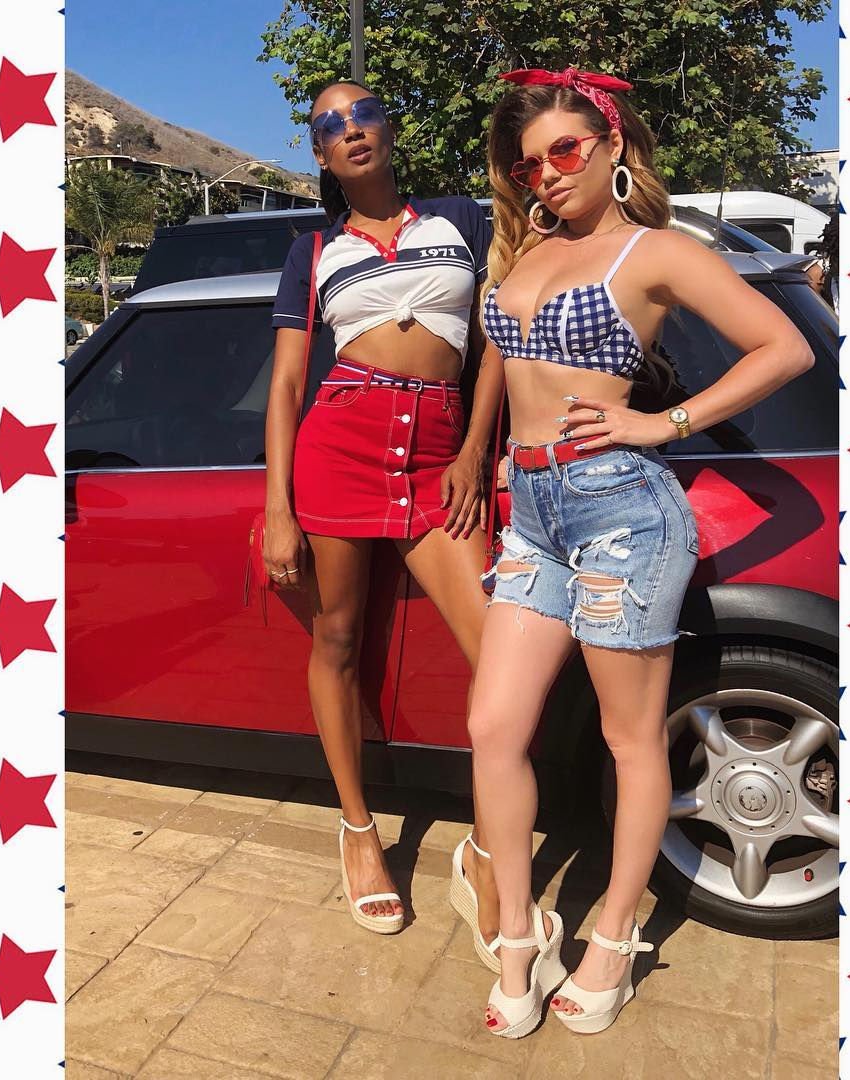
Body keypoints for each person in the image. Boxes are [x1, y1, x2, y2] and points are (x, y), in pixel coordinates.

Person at [469, 65, 815, 1038]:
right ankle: (518, 935)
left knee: (629, 739)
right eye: (529, 163)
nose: (547, 173)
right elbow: (507, 362)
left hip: (619, 509)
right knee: (493, 728)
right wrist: (488, 455)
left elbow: (782, 349)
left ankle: (615, 938)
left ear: (613, 145)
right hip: (533, 513)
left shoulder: (652, 251)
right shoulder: (532, 247)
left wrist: (666, 424)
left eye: (565, 149)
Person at [263, 80, 504, 948]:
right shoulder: (312, 251)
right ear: (320, 154)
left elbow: (498, 341)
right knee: (337, 637)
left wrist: (474, 452)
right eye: (331, 124)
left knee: (501, 656)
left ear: (389, 129)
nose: (351, 129)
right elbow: (288, 384)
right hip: (339, 448)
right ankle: (359, 831)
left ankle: (487, 848)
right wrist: (278, 505)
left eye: (364, 113)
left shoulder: (463, 221)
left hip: (441, 459)